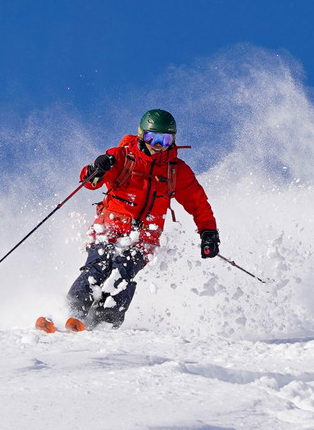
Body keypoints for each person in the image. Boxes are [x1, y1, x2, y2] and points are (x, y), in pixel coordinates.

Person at [64, 109, 219, 329]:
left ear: (173, 140)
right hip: (110, 227)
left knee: (122, 270)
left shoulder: (176, 171)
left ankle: (105, 322)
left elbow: (198, 204)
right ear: (141, 135)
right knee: (98, 267)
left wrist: (208, 232)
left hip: (145, 235)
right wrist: (97, 168)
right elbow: (90, 183)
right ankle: (72, 312)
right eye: (152, 138)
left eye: (165, 139)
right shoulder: (120, 156)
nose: (158, 144)